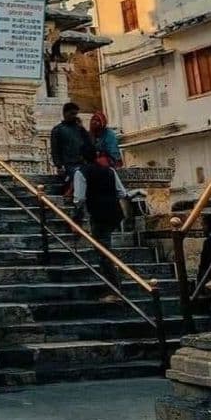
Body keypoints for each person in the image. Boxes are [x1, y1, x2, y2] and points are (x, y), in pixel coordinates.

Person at [73, 150, 128, 295]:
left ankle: (114, 287)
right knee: (105, 246)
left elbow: (79, 199)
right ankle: (114, 281)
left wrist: (76, 218)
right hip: (114, 212)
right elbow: (122, 192)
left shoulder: (81, 172)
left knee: (103, 250)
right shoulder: (109, 171)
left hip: (98, 213)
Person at [50, 102, 94, 194]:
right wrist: (59, 165)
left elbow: (88, 144)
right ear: (65, 113)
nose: (74, 116)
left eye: (75, 114)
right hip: (68, 164)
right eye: (72, 114)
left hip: (82, 162)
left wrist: (82, 128)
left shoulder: (79, 129)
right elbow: (55, 149)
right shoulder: (58, 130)